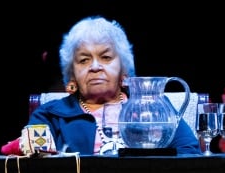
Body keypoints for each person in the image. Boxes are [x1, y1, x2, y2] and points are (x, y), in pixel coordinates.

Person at [12, 16, 200, 156]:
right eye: (84, 60)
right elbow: (35, 167)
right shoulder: (50, 115)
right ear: (72, 75)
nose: (95, 67)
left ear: (123, 69)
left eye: (106, 57)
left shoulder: (154, 106)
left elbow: (189, 153)